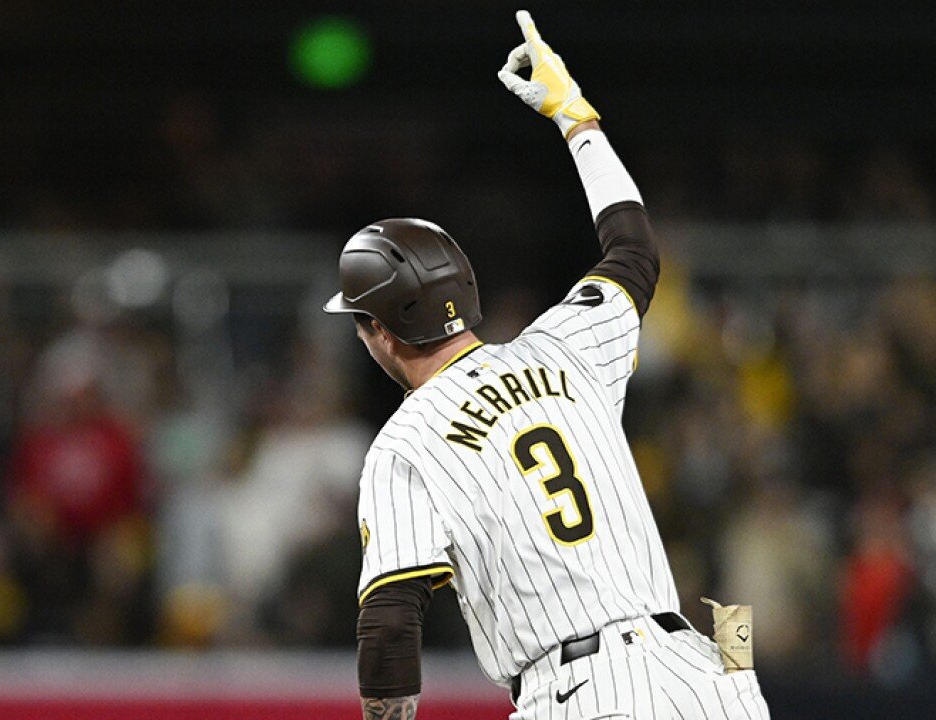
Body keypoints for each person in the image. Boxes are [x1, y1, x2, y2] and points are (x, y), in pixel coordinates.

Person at [324, 11, 772, 720]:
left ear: (378, 330)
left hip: (582, 695)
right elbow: (634, 250)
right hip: (705, 678)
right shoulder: (565, 345)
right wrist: (576, 119)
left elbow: (389, 625)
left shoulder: (405, 444)